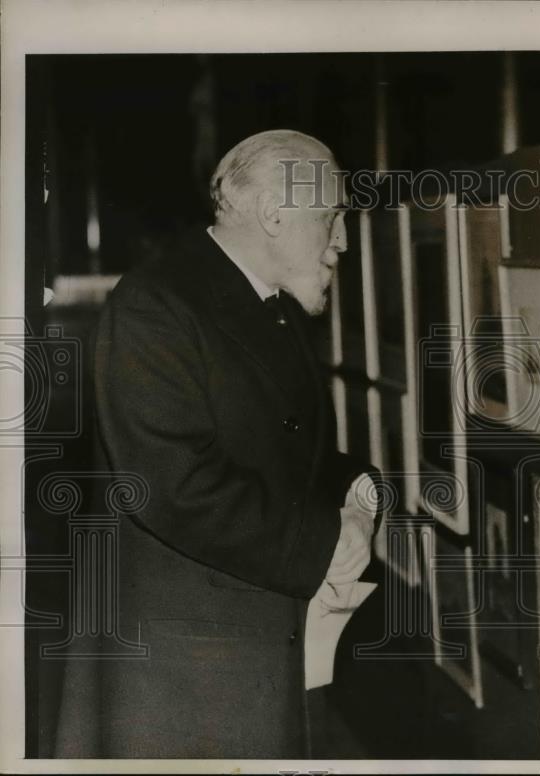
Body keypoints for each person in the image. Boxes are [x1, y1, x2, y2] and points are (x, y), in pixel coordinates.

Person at [54, 130, 380, 758]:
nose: (342, 239)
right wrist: (324, 540)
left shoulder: (267, 311)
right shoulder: (154, 306)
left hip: (250, 663)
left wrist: (358, 491)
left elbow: (281, 459)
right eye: (332, 216)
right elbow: (173, 487)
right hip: (181, 684)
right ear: (274, 214)